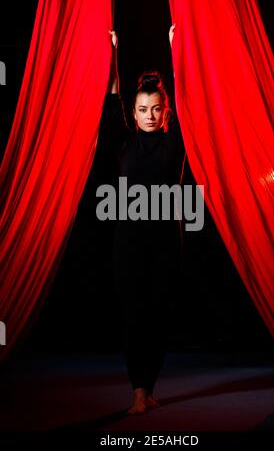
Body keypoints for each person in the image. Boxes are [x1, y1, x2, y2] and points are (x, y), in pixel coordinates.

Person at [99, 25, 186, 414]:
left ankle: (148, 386)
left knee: (161, 315)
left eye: (156, 109)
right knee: (135, 316)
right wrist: (113, 51)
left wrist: (175, 48)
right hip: (129, 244)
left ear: (164, 111)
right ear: (133, 114)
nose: (150, 115)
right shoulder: (123, 143)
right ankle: (138, 390)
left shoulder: (174, 142)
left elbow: (186, 95)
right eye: (142, 109)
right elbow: (112, 96)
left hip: (167, 242)